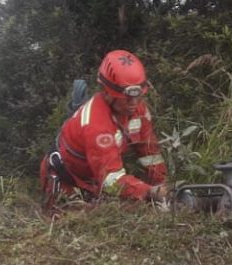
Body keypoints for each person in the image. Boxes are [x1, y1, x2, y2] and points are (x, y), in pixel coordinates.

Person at [40, 50, 169, 208]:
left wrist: (162, 184)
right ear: (108, 93)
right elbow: (111, 180)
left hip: (93, 179)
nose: (134, 103)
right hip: (66, 179)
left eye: (138, 96)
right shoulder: (96, 124)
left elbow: (149, 153)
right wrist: (149, 192)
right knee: (70, 225)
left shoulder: (139, 111)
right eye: (127, 98)